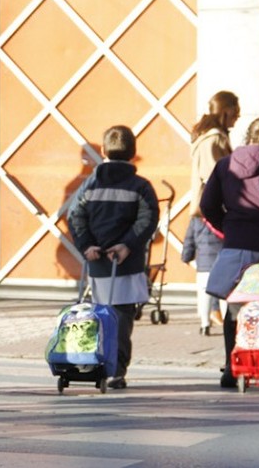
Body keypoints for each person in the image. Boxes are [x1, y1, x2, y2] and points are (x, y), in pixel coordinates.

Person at [200, 115, 259, 388]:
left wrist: (228, 228)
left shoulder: (224, 165)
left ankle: (232, 368)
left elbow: (207, 205)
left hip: (234, 248)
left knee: (234, 309)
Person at [67, 125, 159, 390]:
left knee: (98, 315)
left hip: (97, 264)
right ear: (133, 153)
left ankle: (95, 362)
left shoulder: (91, 184)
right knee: (122, 319)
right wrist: (127, 245)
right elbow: (148, 217)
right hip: (127, 264)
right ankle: (117, 370)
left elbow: (75, 216)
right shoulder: (141, 186)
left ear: (104, 151)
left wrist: (87, 246)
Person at [188, 91, 239, 326]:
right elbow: (214, 179)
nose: (237, 118)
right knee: (219, 267)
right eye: (235, 112)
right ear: (226, 110)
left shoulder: (207, 136)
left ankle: (213, 312)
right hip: (212, 215)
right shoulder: (214, 139)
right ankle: (214, 313)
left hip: (204, 215)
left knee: (213, 266)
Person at [181, 216, 225, 336]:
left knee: (204, 294)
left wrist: (186, 257)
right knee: (224, 295)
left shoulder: (195, 220)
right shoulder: (224, 216)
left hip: (204, 264)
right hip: (223, 261)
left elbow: (189, 241)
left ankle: (205, 325)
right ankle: (228, 325)